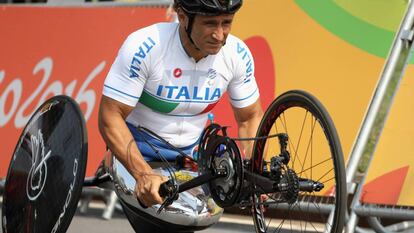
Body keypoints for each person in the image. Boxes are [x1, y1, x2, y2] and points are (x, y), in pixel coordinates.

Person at [98, 0, 263, 209]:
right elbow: (110, 117)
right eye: (210, 23)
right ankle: (109, 162)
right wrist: (143, 174)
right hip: (138, 154)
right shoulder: (145, 45)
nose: (220, 35)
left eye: (227, 23)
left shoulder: (237, 53)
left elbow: (250, 117)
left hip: (191, 158)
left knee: (200, 214)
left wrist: (254, 171)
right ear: (183, 16)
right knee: (167, 213)